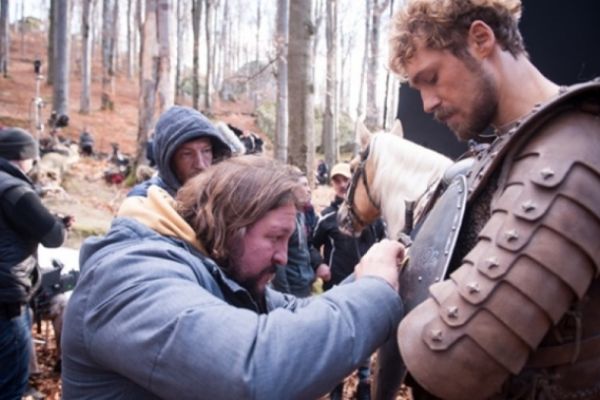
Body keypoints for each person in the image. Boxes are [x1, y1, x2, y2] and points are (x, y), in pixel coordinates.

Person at [388, 0, 600, 398]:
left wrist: (384, 299)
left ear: (481, 39)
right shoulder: (499, 153)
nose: (427, 104)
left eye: (431, 78)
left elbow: (449, 360)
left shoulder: (570, 150)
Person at [61, 155, 405, 399]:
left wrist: (373, 277)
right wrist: (374, 291)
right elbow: (252, 370)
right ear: (229, 226)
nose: (283, 257)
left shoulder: (214, 272)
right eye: (275, 237)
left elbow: (296, 312)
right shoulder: (127, 277)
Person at [0, 127, 72, 399]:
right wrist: (61, 225)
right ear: (24, 156)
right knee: (10, 384)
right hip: (6, 299)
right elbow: (53, 237)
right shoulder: (15, 190)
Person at [312, 162, 386, 400]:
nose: (342, 184)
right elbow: (311, 245)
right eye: (337, 180)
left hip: (365, 286)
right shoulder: (327, 217)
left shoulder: (373, 218)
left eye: (346, 179)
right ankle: (336, 387)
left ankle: (364, 384)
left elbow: (384, 244)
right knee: (337, 338)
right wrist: (319, 264)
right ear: (332, 184)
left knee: (364, 335)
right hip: (336, 287)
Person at [129, 105, 233, 197]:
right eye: (187, 154)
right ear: (170, 161)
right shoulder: (146, 201)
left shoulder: (223, 196)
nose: (200, 164)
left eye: (206, 151)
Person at [271, 170, 329, 297]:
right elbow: (278, 265)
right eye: (304, 185)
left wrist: (318, 264)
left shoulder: (301, 215)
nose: (309, 190)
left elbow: (306, 247)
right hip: (292, 290)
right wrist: (285, 296)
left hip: (305, 284)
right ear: (291, 189)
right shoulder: (284, 220)